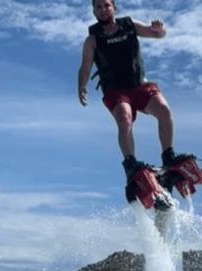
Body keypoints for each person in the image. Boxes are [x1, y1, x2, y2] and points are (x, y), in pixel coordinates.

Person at [78, 0, 189, 208]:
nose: (103, 10)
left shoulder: (130, 25)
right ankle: (130, 163)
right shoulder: (92, 40)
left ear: (114, 8)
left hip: (139, 87)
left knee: (164, 110)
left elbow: (156, 34)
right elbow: (85, 66)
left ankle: (168, 156)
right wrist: (81, 86)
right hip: (116, 92)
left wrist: (160, 30)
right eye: (98, 7)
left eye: (106, 5)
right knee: (124, 118)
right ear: (94, 12)